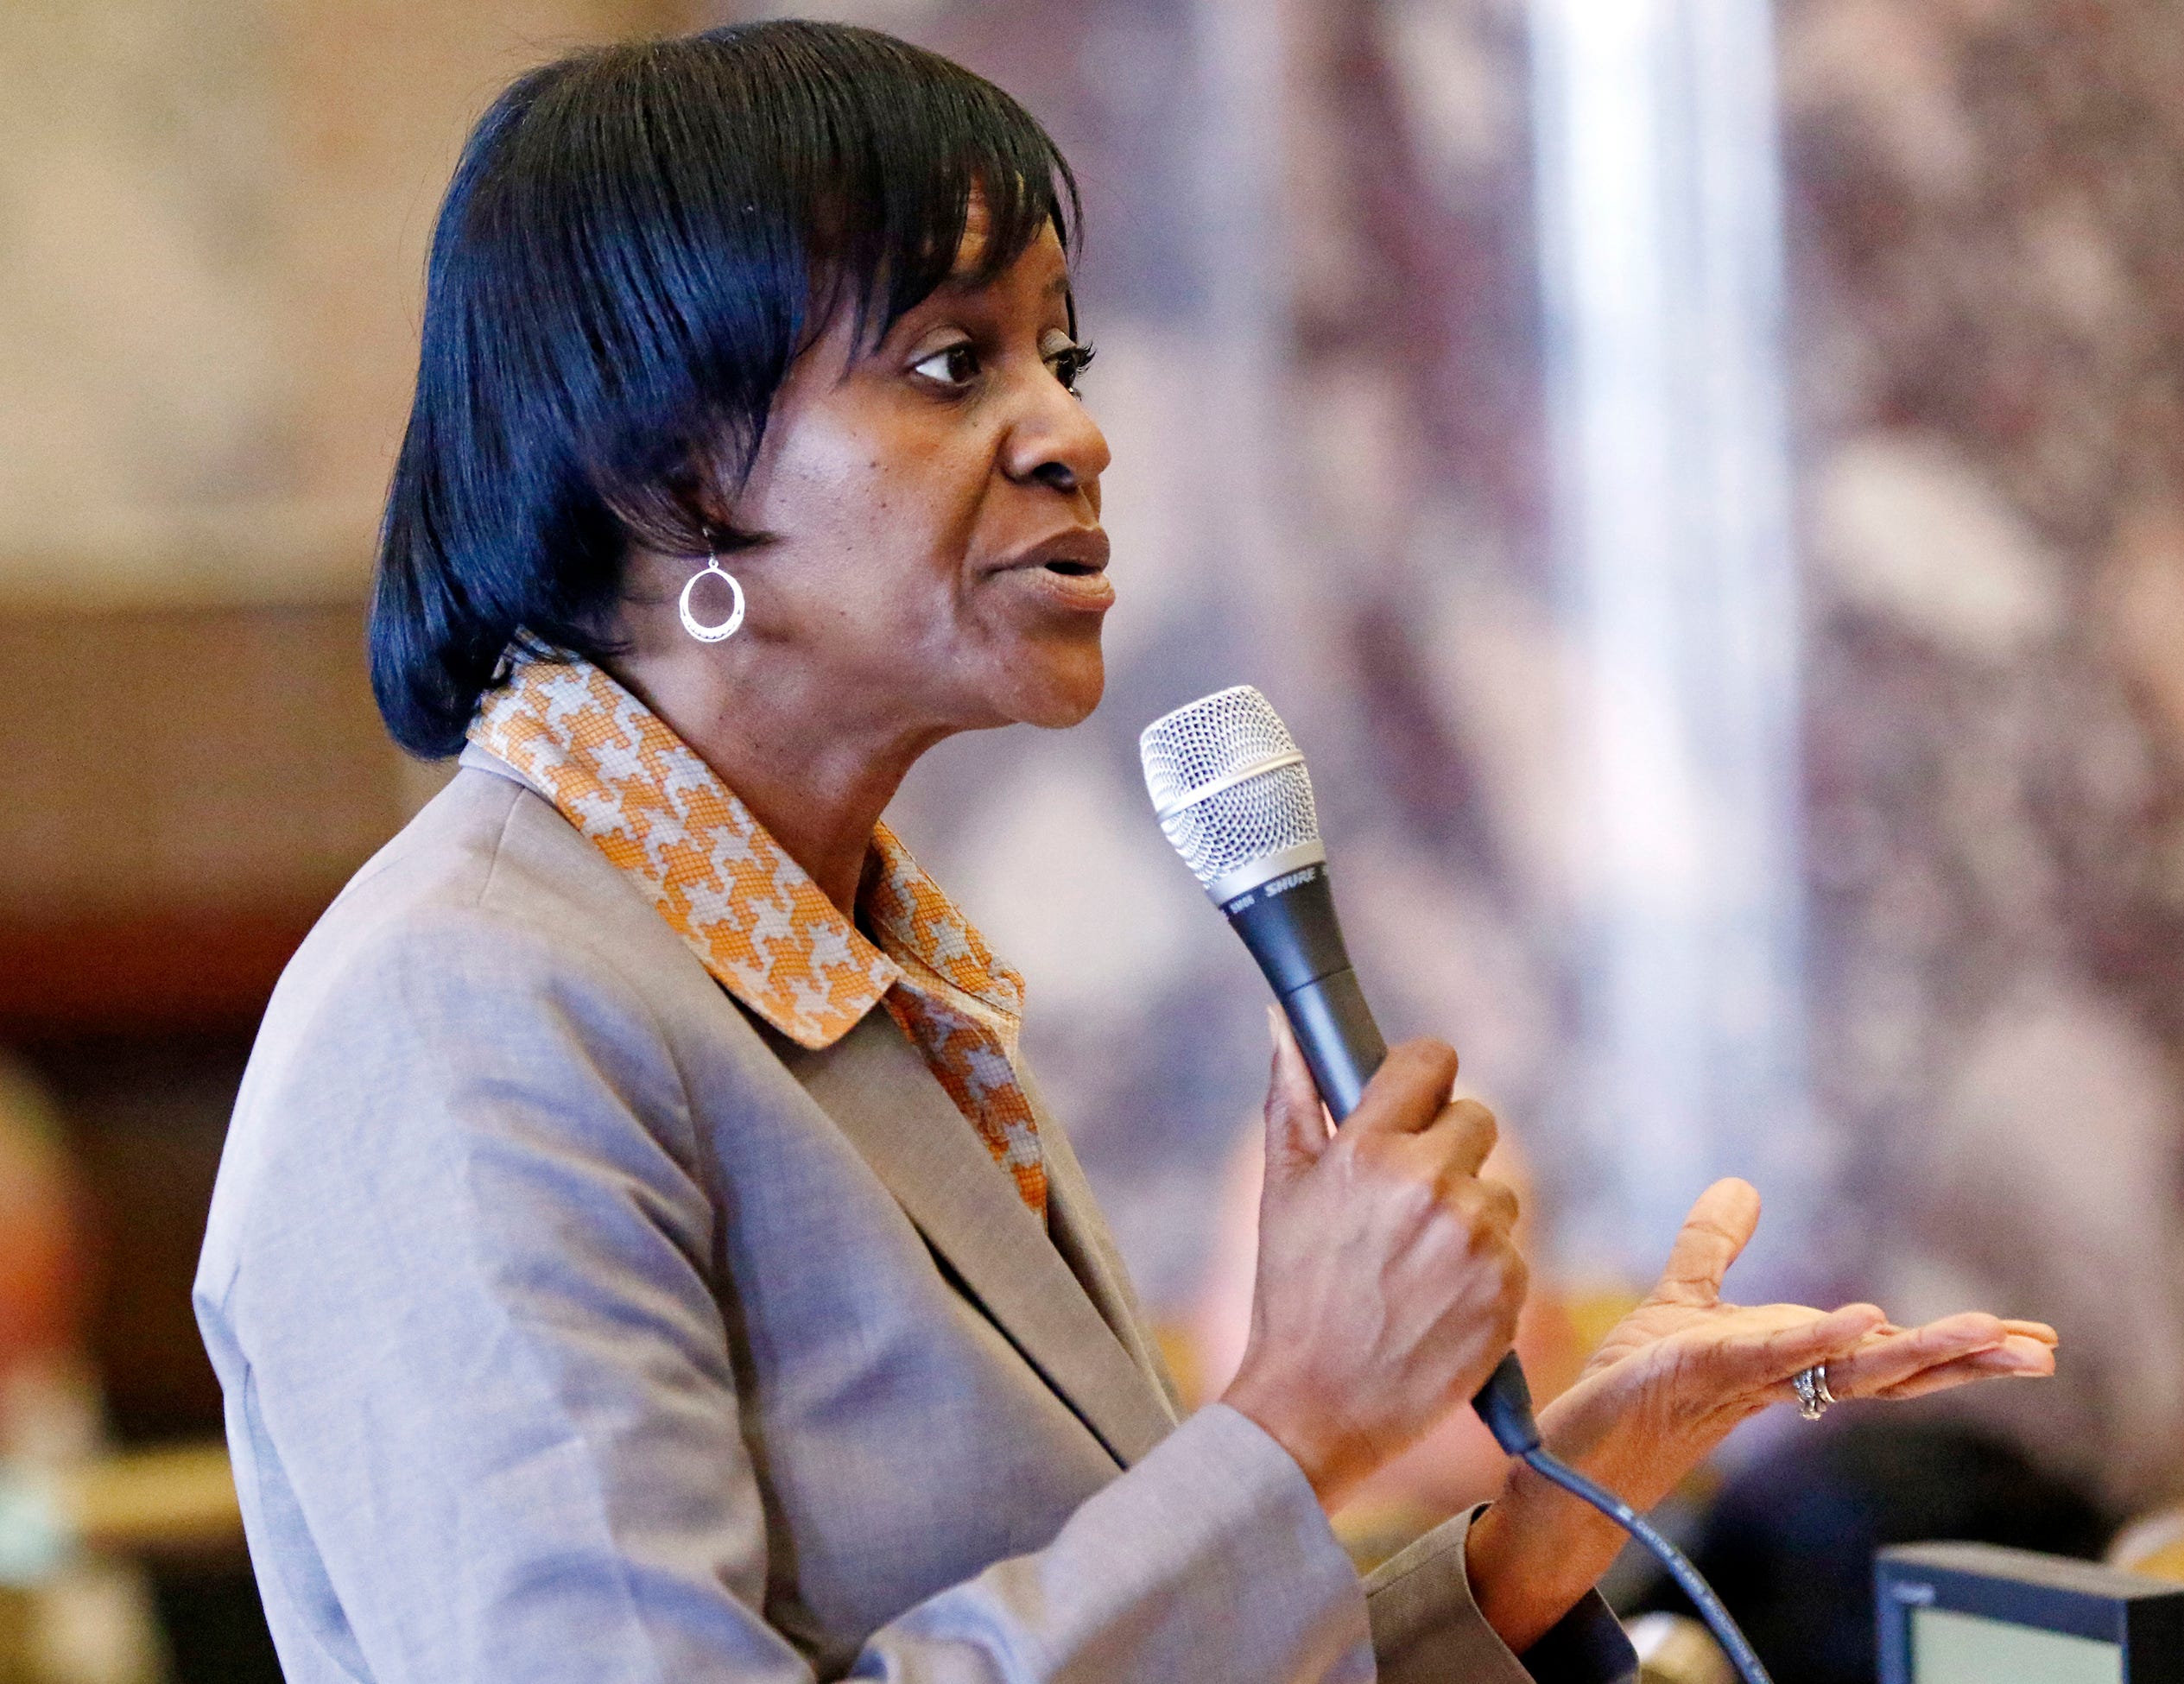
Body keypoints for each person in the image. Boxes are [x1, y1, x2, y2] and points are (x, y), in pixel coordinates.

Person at [191, 22, 2058, 1684]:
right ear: (666, 479)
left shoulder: (848, 981)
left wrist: (1524, 1545)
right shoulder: (464, 1020)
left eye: (1055, 353)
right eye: (946, 364)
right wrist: (1297, 1415)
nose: (1073, 432)